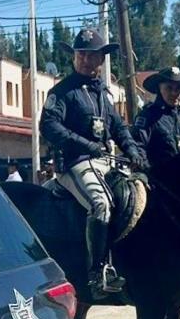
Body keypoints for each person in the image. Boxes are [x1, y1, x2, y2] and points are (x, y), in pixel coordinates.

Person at [40, 28, 149, 297]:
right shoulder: (62, 91)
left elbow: (118, 128)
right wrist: (85, 144)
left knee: (135, 195)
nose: (86, 60)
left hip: (104, 162)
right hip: (74, 163)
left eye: (92, 56)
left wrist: (133, 151)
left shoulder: (103, 94)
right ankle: (97, 272)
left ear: (101, 60)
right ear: (74, 57)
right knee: (100, 204)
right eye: (81, 55)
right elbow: (49, 126)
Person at [133, 67, 180, 171]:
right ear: (159, 88)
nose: (174, 93)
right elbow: (138, 147)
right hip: (157, 180)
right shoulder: (148, 116)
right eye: (169, 88)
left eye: (178, 89)